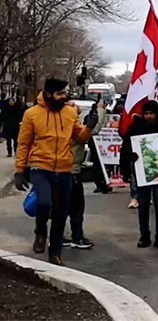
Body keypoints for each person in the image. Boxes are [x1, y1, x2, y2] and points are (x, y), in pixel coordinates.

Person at [13, 78, 98, 266]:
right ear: (49, 94)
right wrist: (19, 170)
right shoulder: (32, 114)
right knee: (44, 203)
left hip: (64, 169)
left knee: (61, 213)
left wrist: (90, 126)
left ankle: (55, 253)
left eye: (65, 93)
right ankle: (40, 230)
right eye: (60, 93)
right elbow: (24, 143)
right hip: (40, 167)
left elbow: (80, 137)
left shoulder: (70, 113)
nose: (64, 97)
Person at [120, 100, 158, 248]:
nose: (149, 116)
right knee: (143, 204)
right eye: (146, 113)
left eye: (151, 113)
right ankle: (144, 235)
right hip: (141, 170)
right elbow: (126, 148)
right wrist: (126, 168)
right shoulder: (135, 127)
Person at [63, 101, 94, 250]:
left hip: (61, 171)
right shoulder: (72, 128)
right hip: (71, 172)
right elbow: (88, 134)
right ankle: (77, 237)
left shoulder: (61, 125)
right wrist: (99, 113)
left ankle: (58, 236)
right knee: (76, 207)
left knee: (61, 206)